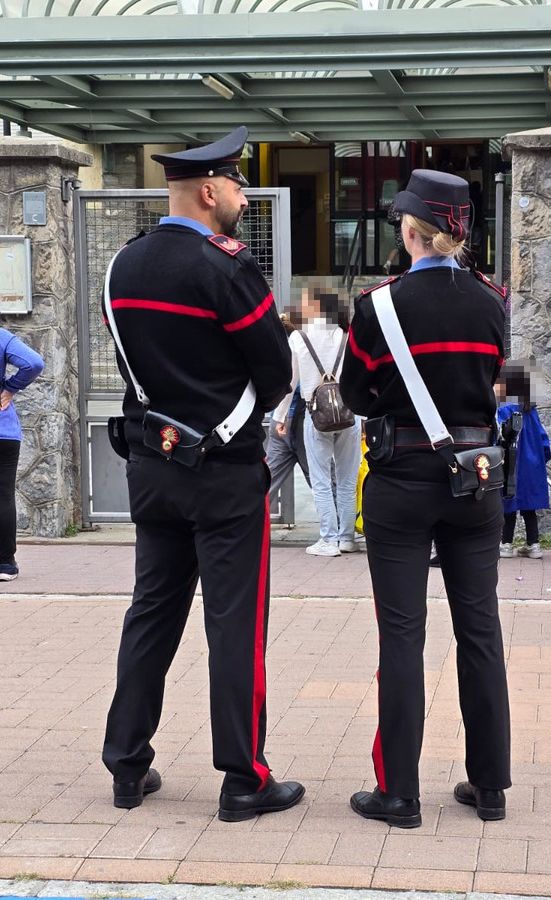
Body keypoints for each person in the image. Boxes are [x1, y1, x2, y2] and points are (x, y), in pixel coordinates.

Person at [101, 126, 305, 822]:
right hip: (224, 472)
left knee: (151, 614)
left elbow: (134, 365)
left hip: (151, 468)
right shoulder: (228, 268)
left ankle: (127, 765)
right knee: (234, 627)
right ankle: (244, 779)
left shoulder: (122, 266)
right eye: (239, 187)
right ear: (211, 191)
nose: (244, 200)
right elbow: (275, 372)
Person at [340, 169, 511, 827]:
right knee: (481, 632)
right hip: (475, 479)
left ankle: (400, 795)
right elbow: (502, 380)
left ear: (410, 231)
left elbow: (355, 395)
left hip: (401, 479)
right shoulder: (493, 301)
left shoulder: (378, 306)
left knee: (402, 637)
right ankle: (489, 788)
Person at [272, 282, 361, 557]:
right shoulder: (348, 335)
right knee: (347, 480)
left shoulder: (299, 338)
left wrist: (280, 416)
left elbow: (289, 383)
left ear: (316, 305)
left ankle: (328, 539)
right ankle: (346, 538)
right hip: (349, 414)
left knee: (321, 479)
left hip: (316, 415)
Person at [0, 325, 44, 582]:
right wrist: (10, 388)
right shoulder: (2, 337)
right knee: (3, 495)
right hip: (4, 431)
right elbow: (33, 363)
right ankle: (5, 564)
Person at [497, 360, 551, 560]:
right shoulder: (531, 411)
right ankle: (533, 545)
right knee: (529, 507)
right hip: (531, 465)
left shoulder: (504, 409)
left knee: (509, 504)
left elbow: (499, 437)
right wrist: (541, 461)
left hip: (511, 464)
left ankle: (506, 544)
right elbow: (544, 440)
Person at [265, 315, 311, 498]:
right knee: (325, 483)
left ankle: (253, 514)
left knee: (266, 484)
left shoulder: (276, 348)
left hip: (278, 420)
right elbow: (299, 386)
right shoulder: (303, 345)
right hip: (302, 422)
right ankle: (342, 516)